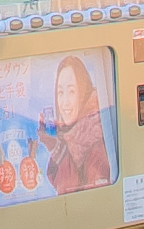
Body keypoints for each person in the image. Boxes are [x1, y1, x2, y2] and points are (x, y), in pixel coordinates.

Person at [45, 55, 116, 195]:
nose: (64, 102)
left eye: (71, 91)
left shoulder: (95, 140)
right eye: (60, 92)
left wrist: (56, 149)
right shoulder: (69, 135)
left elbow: (71, 194)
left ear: (83, 92)